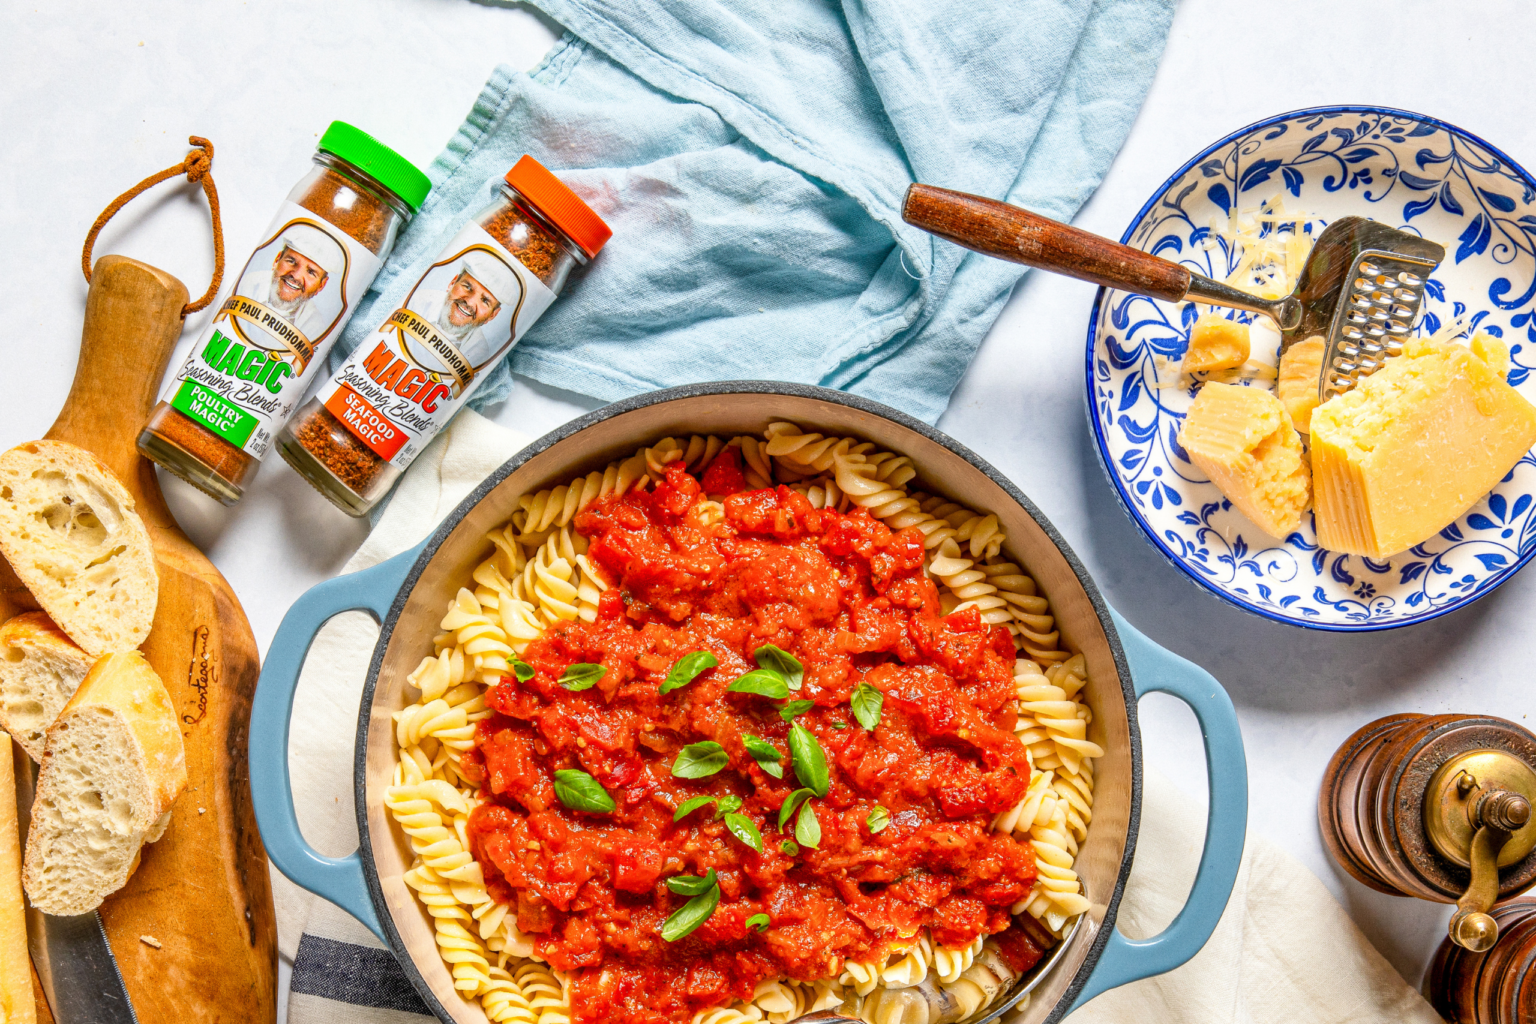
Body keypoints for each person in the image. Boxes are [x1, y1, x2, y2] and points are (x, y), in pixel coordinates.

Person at [235, 222, 348, 341]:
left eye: (311, 272)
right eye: (291, 261)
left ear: (321, 285)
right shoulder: (246, 285)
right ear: (277, 260)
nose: (296, 276)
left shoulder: (314, 327)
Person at [414, 250, 522, 368]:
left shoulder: (479, 352)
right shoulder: (418, 302)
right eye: (467, 287)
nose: (470, 303)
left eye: (485, 301)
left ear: (492, 315)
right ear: (453, 283)